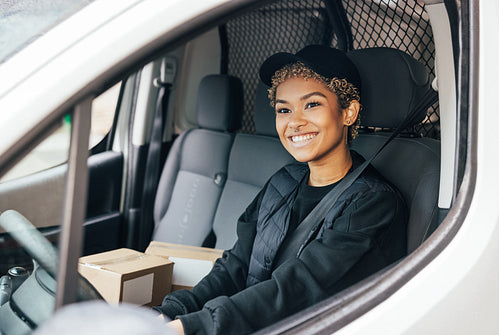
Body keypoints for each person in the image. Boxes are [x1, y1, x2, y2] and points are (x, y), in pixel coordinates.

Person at [155, 45, 408, 335]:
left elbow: (297, 290)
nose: (295, 122)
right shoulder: (283, 182)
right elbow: (235, 266)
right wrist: (170, 313)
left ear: (348, 112)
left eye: (312, 104)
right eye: (284, 109)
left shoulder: (373, 204)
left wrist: (189, 327)